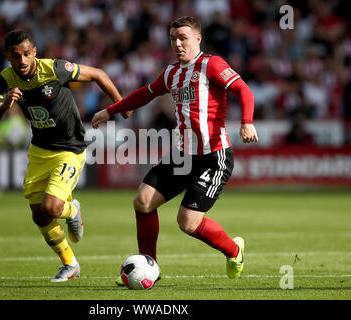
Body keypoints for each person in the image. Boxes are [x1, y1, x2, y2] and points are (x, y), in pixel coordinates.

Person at [92, 16, 258, 284]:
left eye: (183, 38)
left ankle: (234, 251)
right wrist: (111, 110)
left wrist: (247, 123)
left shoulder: (211, 64)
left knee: (187, 223)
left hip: (214, 157)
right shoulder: (172, 73)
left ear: (197, 39)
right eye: (173, 39)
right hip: (182, 156)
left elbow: (243, 89)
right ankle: (151, 270)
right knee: (143, 202)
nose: (178, 44)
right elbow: (146, 93)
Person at [0, 30, 131, 282]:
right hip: (40, 150)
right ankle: (70, 264)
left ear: (35, 53)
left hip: (69, 147)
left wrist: (120, 106)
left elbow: (98, 74)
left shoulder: (55, 69)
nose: (22, 61)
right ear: (8, 56)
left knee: (51, 207)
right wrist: (6, 106)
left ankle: (72, 210)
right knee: (39, 214)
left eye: (27, 54)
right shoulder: (6, 79)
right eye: (16, 56)